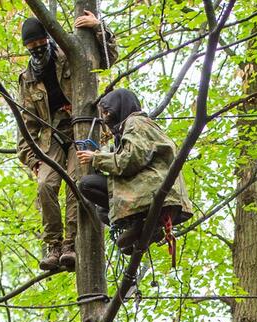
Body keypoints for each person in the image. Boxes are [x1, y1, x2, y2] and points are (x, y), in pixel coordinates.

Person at [17, 13, 117, 272]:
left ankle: (71, 245)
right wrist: (32, 159)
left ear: (48, 39)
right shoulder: (27, 77)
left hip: (79, 131)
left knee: (77, 182)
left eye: (40, 42)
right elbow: (26, 126)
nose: (37, 49)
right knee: (45, 185)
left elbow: (106, 59)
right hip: (49, 140)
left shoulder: (70, 53)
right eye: (31, 47)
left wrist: (99, 28)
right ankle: (54, 245)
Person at [76, 89, 192, 255]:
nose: (106, 117)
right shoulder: (134, 127)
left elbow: (130, 160)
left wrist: (97, 158)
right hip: (148, 191)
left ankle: (140, 222)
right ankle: (141, 228)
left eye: (108, 112)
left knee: (87, 184)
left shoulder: (136, 123)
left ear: (120, 107)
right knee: (103, 210)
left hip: (152, 192)